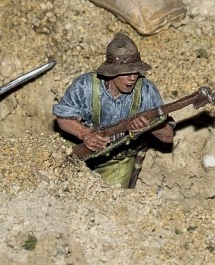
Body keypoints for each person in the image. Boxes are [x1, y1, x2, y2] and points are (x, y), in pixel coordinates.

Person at [53, 32, 174, 188]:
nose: (132, 78)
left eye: (136, 71)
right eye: (126, 72)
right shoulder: (85, 86)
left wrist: (149, 125)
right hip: (79, 146)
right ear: (111, 71)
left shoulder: (146, 91)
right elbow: (63, 118)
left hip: (116, 160)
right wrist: (85, 133)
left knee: (111, 197)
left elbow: (168, 137)